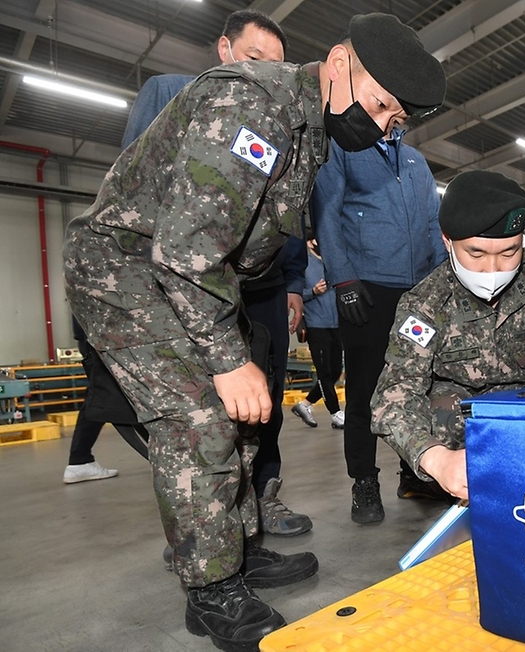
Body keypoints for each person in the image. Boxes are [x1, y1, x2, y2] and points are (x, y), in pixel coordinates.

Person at [63, 12, 446, 652]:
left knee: (251, 411)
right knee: (199, 417)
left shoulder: (312, 126)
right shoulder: (251, 102)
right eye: (380, 106)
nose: (381, 127)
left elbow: (246, 239)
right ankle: (210, 592)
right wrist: (222, 357)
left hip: (198, 273)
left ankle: (233, 552)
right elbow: (185, 248)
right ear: (339, 61)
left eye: (394, 122)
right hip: (126, 270)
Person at [121, 9, 312, 538]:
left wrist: (294, 282)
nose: (269, 73)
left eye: (278, 65)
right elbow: (138, 186)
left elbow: (291, 208)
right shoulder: (171, 93)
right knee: (200, 407)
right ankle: (204, 523)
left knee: (263, 399)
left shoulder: (286, 112)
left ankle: (261, 500)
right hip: (192, 279)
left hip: (265, 283)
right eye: (256, 59)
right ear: (225, 50)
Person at [372, 170, 525, 500]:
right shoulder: (425, 304)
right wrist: (436, 458)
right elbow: (393, 396)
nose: (492, 269)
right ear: (447, 241)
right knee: (442, 412)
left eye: (509, 252)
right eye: (477, 254)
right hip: (462, 418)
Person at [312, 125, 448, 524]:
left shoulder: (416, 160)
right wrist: (343, 279)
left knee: (422, 386)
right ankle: (364, 482)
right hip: (367, 287)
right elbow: (327, 214)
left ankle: (415, 472)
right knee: (364, 390)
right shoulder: (342, 148)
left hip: (418, 290)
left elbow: (431, 226)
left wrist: (442, 282)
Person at [292, 234, 345, 430]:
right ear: (311, 241)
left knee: (335, 371)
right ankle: (335, 413)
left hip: (336, 324)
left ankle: (304, 405)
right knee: (324, 371)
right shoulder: (302, 263)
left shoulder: (330, 259)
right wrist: (313, 291)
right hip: (316, 324)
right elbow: (294, 294)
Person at [62, 317, 120, 484]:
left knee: (100, 396)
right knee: (101, 396)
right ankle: (79, 460)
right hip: (104, 340)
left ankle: (79, 460)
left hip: (98, 338)